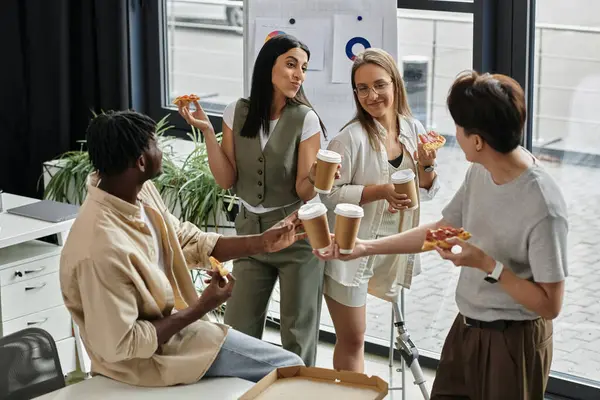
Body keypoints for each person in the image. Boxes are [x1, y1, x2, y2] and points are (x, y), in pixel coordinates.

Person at [317, 71, 568, 399]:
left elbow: (550, 305)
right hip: (466, 328)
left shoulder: (543, 205)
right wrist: (365, 247)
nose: (455, 136)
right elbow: (439, 231)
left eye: (459, 128)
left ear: (477, 140)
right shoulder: (480, 171)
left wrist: (486, 264)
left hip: (513, 341)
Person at [60, 110, 306, 388]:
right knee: (290, 369)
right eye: (156, 143)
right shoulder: (99, 248)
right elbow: (123, 344)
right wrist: (203, 306)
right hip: (146, 362)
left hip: (179, 334)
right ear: (141, 161)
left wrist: (263, 242)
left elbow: (185, 241)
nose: (162, 150)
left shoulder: (137, 192)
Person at [178, 34, 328, 367]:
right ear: (267, 65)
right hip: (250, 234)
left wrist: (319, 175)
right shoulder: (237, 111)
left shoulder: (306, 118)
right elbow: (226, 179)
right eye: (290, 64)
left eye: (303, 68)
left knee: (297, 335)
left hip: (297, 237)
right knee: (237, 332)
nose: (298, 75)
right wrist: (207, 131)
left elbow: (305, 190)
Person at [318, 48, 440, 373]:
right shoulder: (348, 140)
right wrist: (380, 191)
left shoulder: (413, 129)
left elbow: (425, 190)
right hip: (351, 249)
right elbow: (328, 195)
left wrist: (427, 164)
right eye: (362, 88)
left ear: (395, 85)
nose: (372, 95)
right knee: (354, 339)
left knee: (376, 330)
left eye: (379, 85)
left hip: (392, 246)